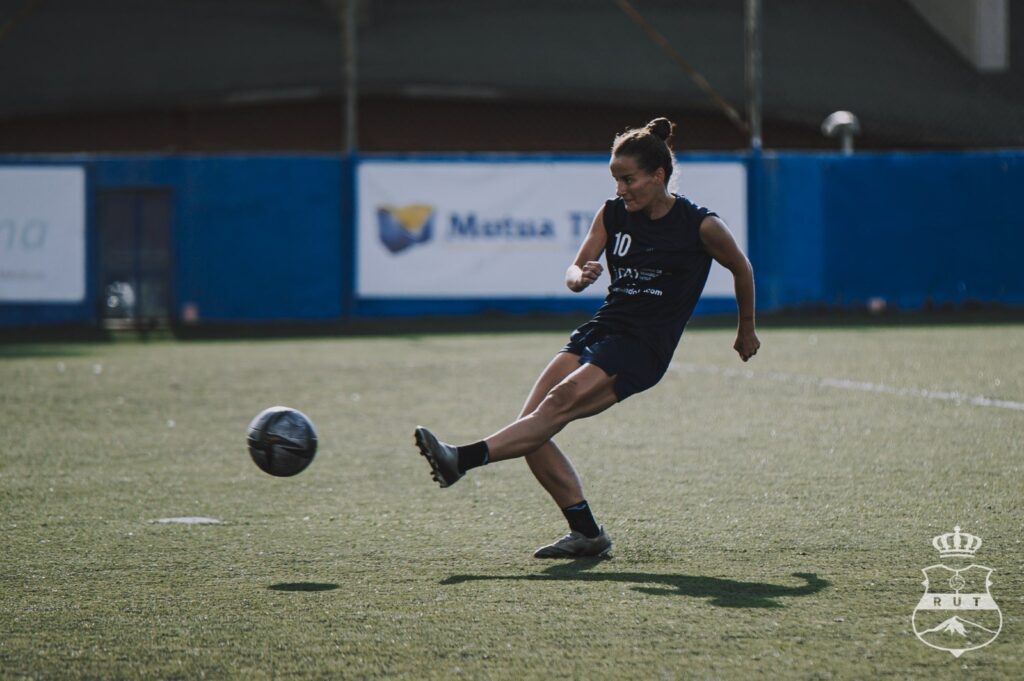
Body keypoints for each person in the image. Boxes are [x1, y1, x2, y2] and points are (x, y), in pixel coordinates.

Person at [415, 117, 760, 558]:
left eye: (629, 179)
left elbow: (742, 268)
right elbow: (575, 270)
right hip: (602, 328)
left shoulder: (700, 225)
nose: (621, 189)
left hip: (643, 345)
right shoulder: (612, 213)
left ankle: (459, 460)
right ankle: (587, 534)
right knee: (531, 423)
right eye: (616, 179)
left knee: (554, 406)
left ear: (659, 176)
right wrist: (581, 276)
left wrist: (745, 327)